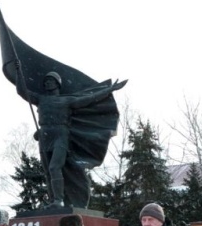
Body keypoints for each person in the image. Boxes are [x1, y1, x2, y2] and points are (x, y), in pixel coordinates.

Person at [16, 67, 127, 208]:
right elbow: (21, 91)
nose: (47, 83)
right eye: (46, 81)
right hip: (44, 136)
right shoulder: (41, 99)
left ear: (57, 83)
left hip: (60, 135)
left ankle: (58, 200)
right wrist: (19, 71)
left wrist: (110, 89)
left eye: (50, 81)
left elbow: (90, 98)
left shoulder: (66, 101)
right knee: (47, 171)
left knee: (54, 167)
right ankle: (53, 201)